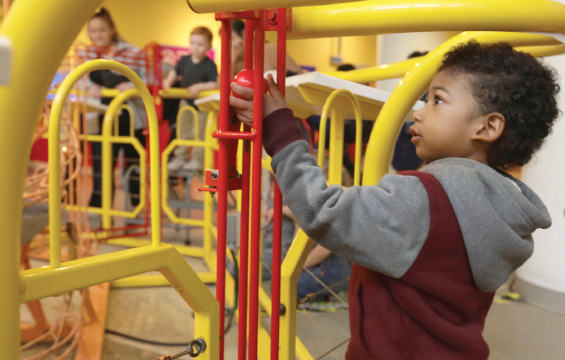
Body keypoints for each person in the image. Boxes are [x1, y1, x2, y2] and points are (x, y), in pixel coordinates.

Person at [230, 41, 558, 359]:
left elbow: (322, 211)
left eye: (437, 101)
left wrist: (281, 131)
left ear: (488, 127)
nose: (418, 113)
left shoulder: (425, 198)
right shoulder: (498, 206)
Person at [86, 8, 147, 212]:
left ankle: (136, 212)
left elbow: (150, 82)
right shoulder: (85, 54)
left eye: (102, 30)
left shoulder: (133, 52)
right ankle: (101, 214)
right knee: (100, 168)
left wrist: (133, 86)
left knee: (133, 167)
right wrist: (89, 88)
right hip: (100, 120)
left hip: (131, 120)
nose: (97, 35)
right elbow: (76, 82)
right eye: (92, 31)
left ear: (112, 29)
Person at [163, 27, 218, 172]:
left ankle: (197, 159)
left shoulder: (209, 65)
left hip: (201, 104)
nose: (196, 47)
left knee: (200, 132)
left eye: (201, 44)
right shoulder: (184, 60)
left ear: (209, 47)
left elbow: (214, 83)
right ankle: (181, 157)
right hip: (185, 102)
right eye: (193, 43)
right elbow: (175, 72)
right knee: (183, 130)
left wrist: (199, 87)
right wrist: (168, 82)